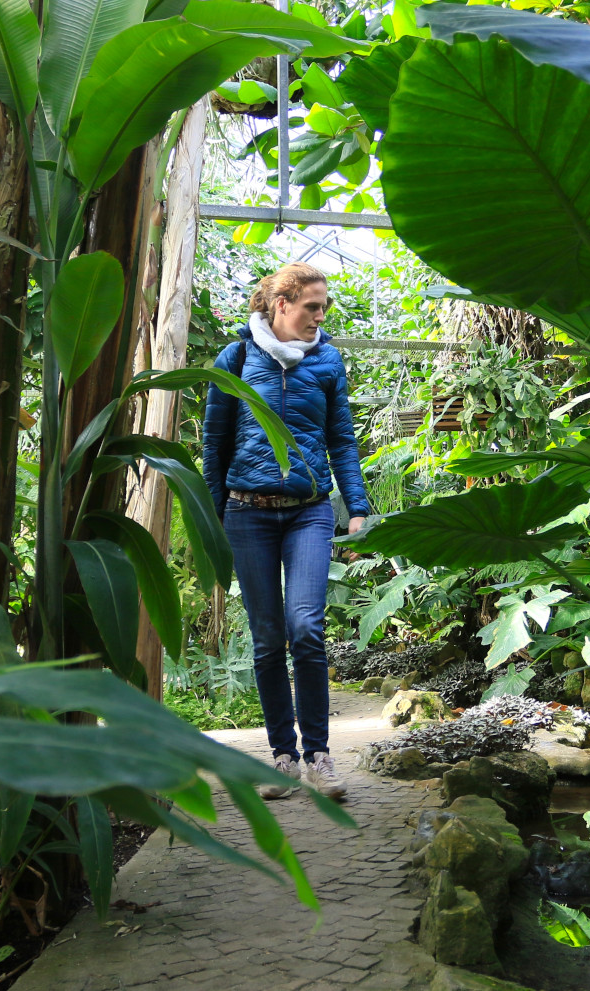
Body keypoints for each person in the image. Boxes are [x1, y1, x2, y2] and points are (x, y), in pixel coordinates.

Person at [202, 262, 370, 801]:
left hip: (309, 511)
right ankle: (282, 757)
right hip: (247, 513)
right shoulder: (236, 358)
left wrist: (358, 506)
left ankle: (319, 757)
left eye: (323, 308)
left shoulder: (326, 360)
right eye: (310, 307)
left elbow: (341, 439)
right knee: (268, 639)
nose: (319, 317)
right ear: (280, 304)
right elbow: (216, 444)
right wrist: (212, 513)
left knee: (306, 628)